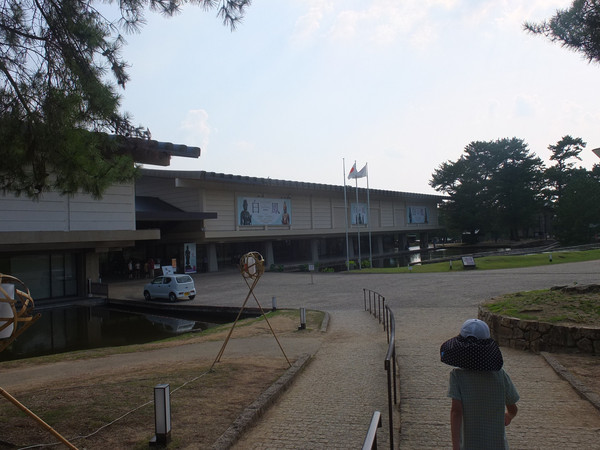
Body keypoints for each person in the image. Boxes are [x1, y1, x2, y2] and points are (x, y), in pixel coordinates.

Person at [440, 319, 519, 450]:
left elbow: (456, 412)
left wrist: (455, 447)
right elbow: (512, 407)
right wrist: (509, 416)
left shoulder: (457, 376)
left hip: (469, 445)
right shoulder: (500, 375)